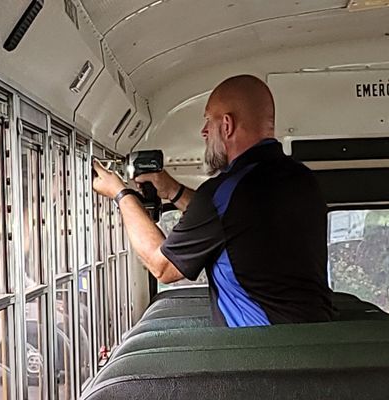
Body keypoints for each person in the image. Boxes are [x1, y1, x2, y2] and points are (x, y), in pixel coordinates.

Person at [92, 74, 333, 327]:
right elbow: (233, 222)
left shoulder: (223, 193)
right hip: (316, 346)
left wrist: (120, 193)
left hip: (260, 354)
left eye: (208, 120)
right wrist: (173, 191)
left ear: (227, 125)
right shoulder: (304, 179)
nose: (204, 131)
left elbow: (162, 267)